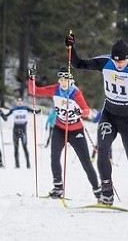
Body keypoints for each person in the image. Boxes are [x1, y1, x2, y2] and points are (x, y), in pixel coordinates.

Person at [66, 32, 128, 215]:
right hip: (109, 115)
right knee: (102, 151)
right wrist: (71, 49)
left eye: (122, 61)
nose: (119, 65)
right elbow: (78, 64)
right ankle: (107, 193)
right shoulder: (105, 63)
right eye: (116, 61)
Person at [29, 66, 101, 199]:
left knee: (85, 162)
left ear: (71, 81)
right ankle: (58, 187)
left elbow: (86, 111)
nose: (63, 82)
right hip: (59, 129)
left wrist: (80, 112)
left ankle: (98, 191)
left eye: (66, 79)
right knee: (54, 157)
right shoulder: (55, 89)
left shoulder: (76, 93)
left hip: (76, 131)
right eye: (61, 79)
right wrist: (31, 79)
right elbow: (34, 91)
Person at [5, 97, 40, 168]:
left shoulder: (26, 108)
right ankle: (17, 165)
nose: (19, 103)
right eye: (18, 101)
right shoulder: (13, 109)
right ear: (16, 103)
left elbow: (35, 112)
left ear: (22, 102)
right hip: (15, 131)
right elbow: (6, 116)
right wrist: (1, 114)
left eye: (21, 101)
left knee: (25, 147)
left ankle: (28, 164)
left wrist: (40, 110)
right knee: (16, 148)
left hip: (23, 131)